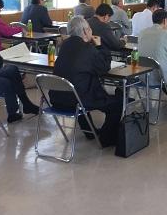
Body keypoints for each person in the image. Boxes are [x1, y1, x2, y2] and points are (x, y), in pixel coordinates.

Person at [51, 16, 122, 147]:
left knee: (78, 90)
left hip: (57, 98)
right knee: (117, 103)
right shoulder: (87, 49)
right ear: (84, 31)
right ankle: (106, 138)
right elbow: (103, 67)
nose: (91, 32)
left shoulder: (64, 46)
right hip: (77, 100)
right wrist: (100, 46)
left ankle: (89, 132)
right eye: (89, 29)